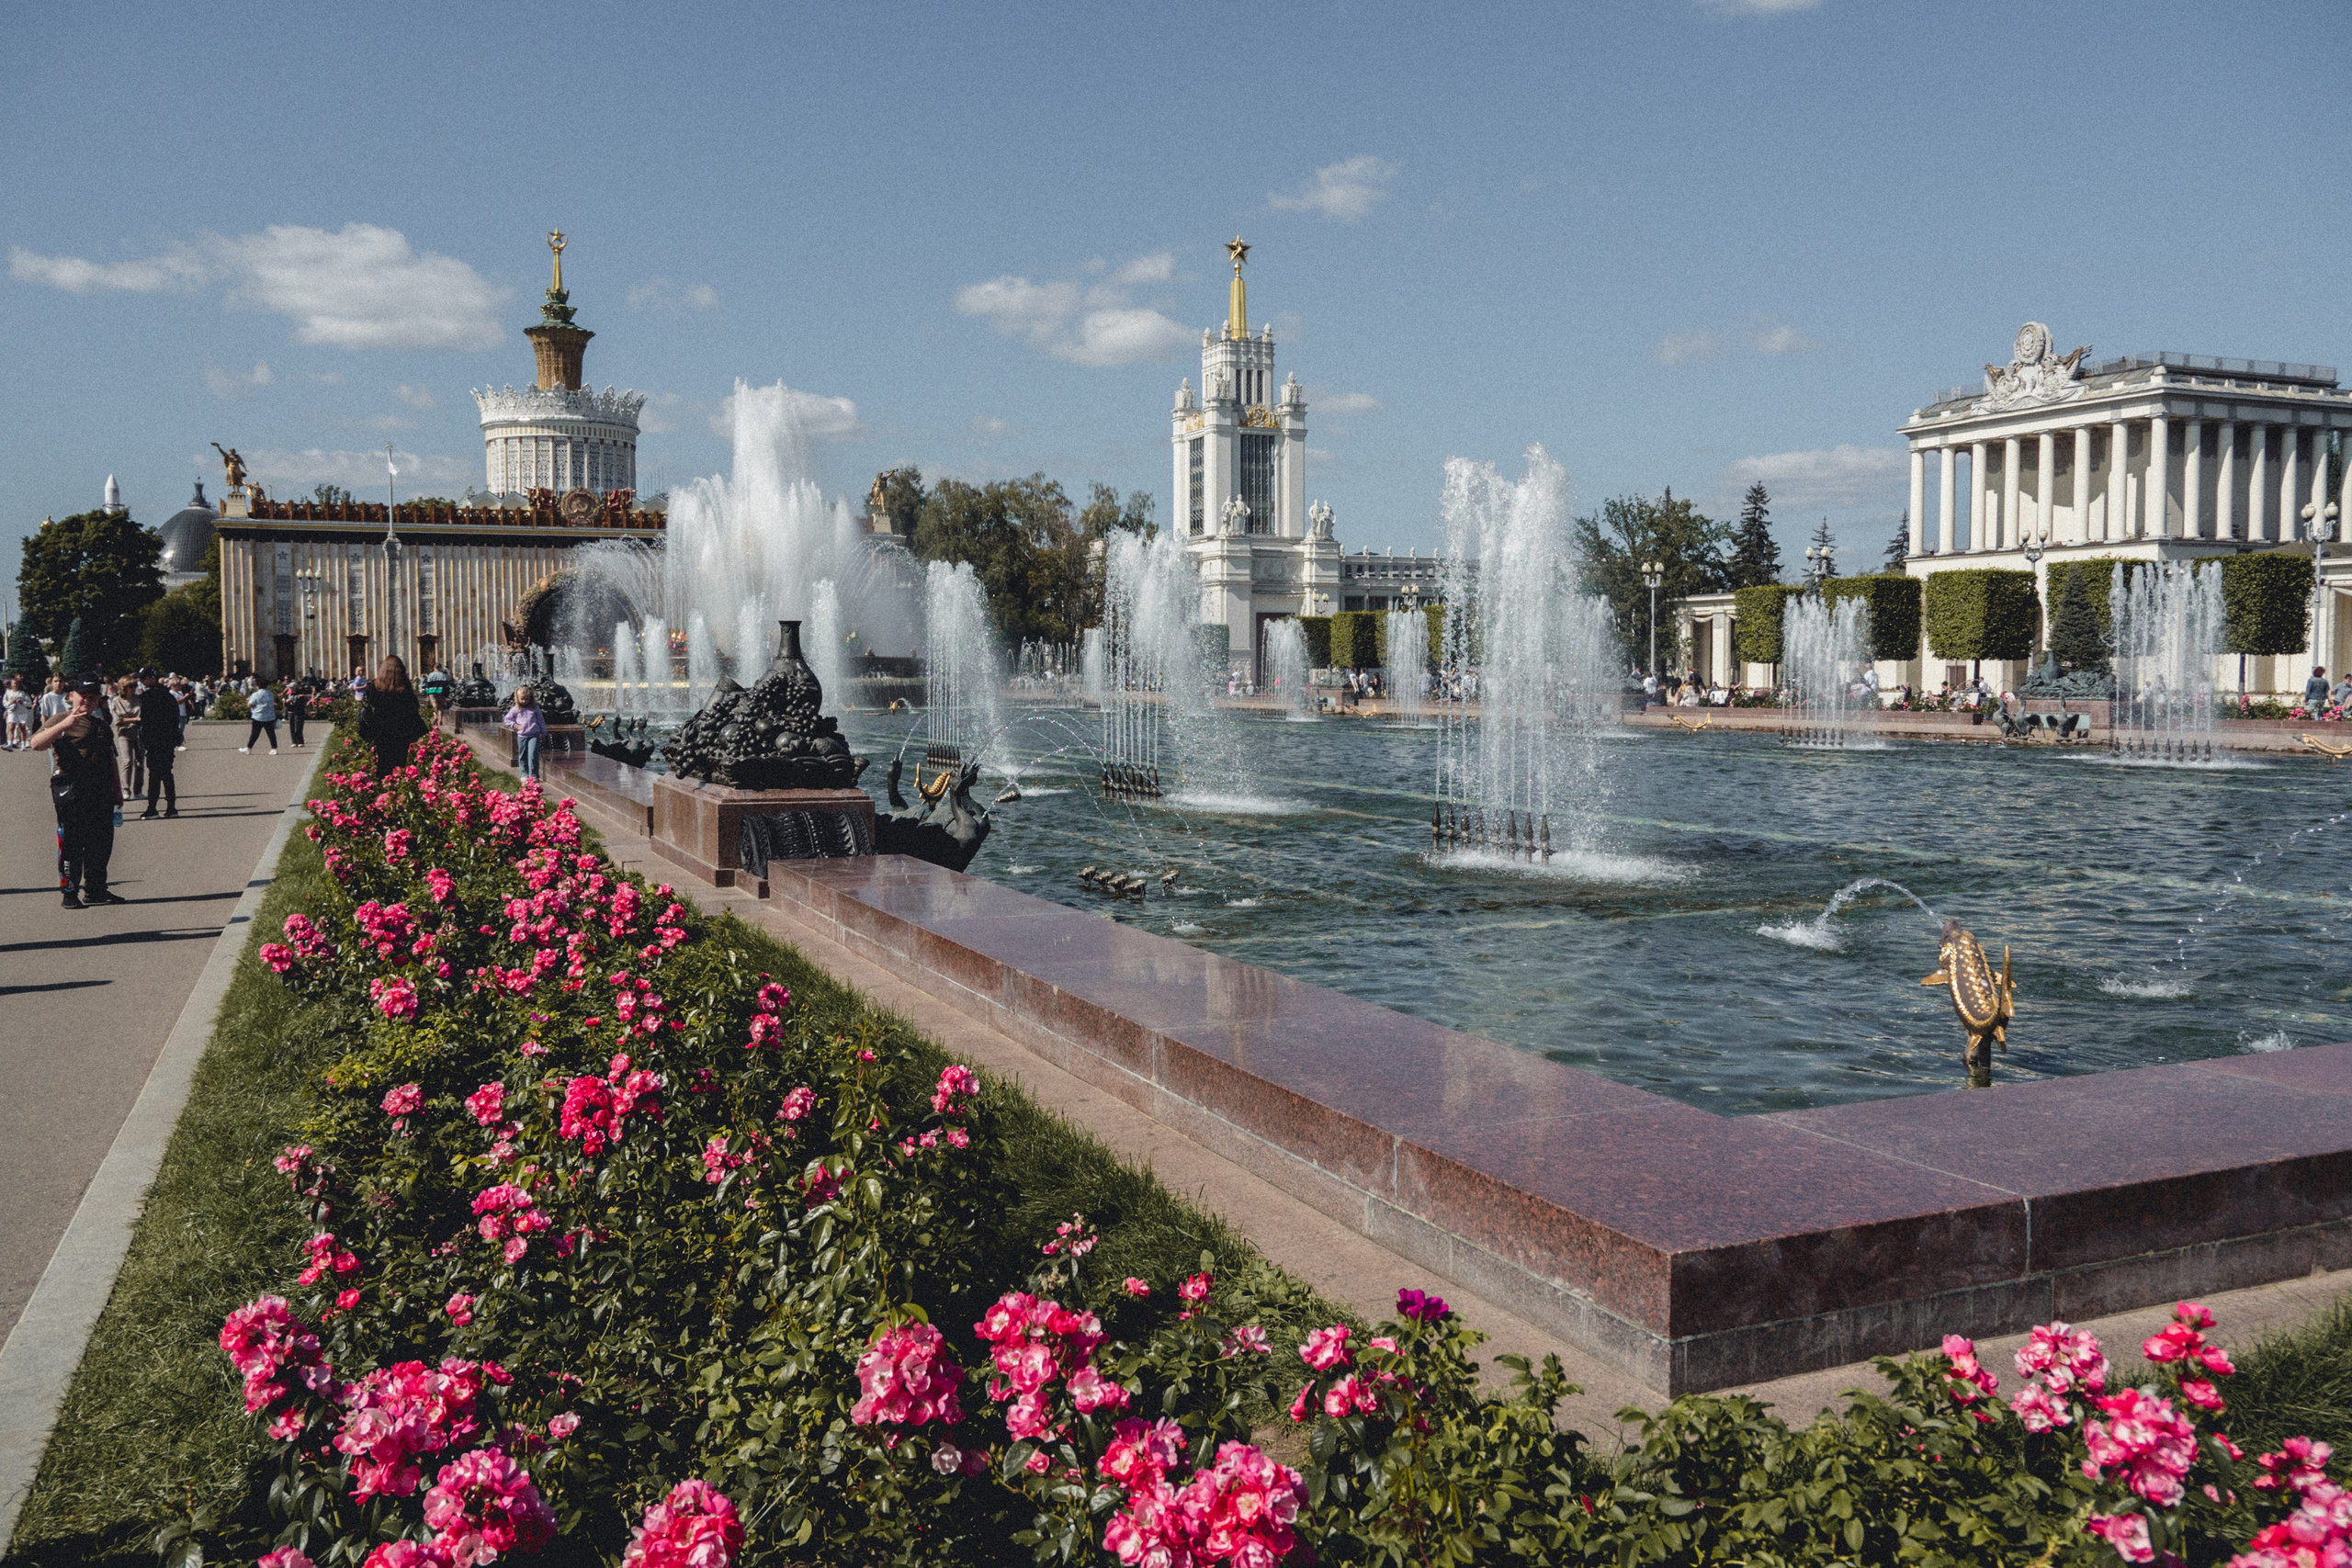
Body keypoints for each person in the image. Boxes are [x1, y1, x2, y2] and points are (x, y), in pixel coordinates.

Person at [30, 678, 125, 907]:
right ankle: (69, 893)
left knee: (101, 843)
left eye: (93, 698)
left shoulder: (100, 725)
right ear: (72, 696)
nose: (88, 701)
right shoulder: (61, 719)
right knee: (73, 842)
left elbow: (111, 759)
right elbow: (36, 743)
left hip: (100, 790)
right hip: (72, 790)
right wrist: (65, 724)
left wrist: (118, 789)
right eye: (84, 696)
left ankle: (96, 890)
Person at [356, 655, 427, 773]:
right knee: (400, 763)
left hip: (382, 732)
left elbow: (371, 704)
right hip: (402, 731)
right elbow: (414, 707)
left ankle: (384, 784)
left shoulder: (374, 686)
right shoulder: (405, 688)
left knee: (384, 762)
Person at [138, 670, 182, 818]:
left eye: (144, 678)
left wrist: (145, 738)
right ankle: (171, 807)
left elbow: (146, 720)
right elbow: (175, 718)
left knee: (154, 775)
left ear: (152, 678)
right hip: (168, 740)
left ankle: (152, 808)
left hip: (154, 740)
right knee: (167, 774)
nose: (142, 681)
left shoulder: (148, 697)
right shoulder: (168, 696)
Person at [503, 684, 547, 779]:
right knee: (522, 755)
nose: (524, 701)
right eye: (522, 699)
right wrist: (515, 725)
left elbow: (540, 720)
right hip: (522, 736)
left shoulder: (534, 708)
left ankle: (534, 775)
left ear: (530, 698)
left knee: (533, 755)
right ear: (517, 698)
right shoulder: (516, 709)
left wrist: (543, 731)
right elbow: (507, 719)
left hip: (534, 735)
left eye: (526, 699)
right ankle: (524, 774)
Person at [111, 676, 144, 796]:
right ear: (123, 688)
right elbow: (117, 720)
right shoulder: (117, 701)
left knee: (140, 762)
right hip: (124, 734)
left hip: (138, 733)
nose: (134, 688)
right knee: (127, 761)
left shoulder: (138, 699)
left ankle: (138, 791)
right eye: (131, 686)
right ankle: (125, 790)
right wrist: (135, 719)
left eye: (135, 685)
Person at [243, 682, 279, 754]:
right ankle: (274, 748)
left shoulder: (256, 694)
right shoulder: (270, 693)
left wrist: (248, 702)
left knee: (255, 733)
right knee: (271, 734)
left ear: (258, 686)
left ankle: (249, 748)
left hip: (258, 716)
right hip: (269, 716)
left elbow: (250, 705)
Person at [4, 675, 31, 749]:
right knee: (11, 727)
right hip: (12, 712)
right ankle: (10, 744)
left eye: (17, 683)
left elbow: (29, 703)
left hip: (22, 713)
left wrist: (22, 702)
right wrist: (11, 702)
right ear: (11, 684)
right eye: (14, 683)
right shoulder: (8, 693)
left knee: (22, 728)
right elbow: (4, 703)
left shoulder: (22, 693)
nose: (15, 685)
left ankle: (23, 745)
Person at [284, 682, 308, 748]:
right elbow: (285, 702)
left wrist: (295, 698)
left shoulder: (300, 694)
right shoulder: (287, 694)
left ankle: (300, 742)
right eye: (289, 688)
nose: (289, 689)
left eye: (291, 688)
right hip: (290, 711)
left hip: (299, 712)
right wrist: (286, 701)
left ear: (295, 688)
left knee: (298, 727)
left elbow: (303, 702)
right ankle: (294, 742)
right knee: (292, 727)